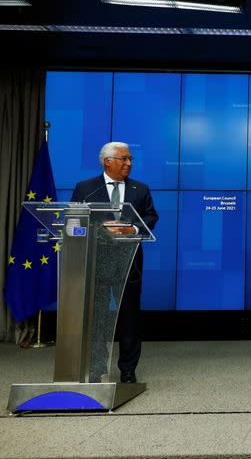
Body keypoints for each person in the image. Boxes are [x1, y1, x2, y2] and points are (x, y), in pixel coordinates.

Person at [71, 142, 158, 383]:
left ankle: (128, 370)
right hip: (97, 258)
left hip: (129, 260)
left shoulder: (140, 189)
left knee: (129, 316)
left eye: (130, 159)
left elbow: (151, 216)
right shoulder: (85, 188)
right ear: (107, 161)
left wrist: (133, 228)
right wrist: (99, 226)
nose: (129, 163)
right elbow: (75, 219)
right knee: (98, 315)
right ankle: (97, 368)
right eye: (124, 159)